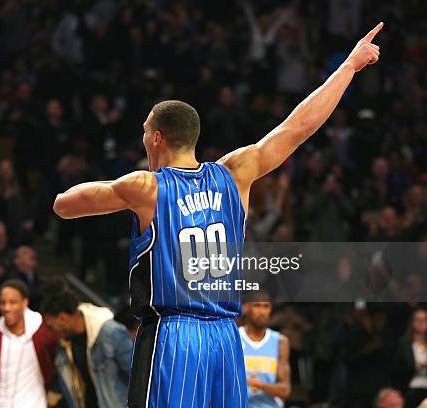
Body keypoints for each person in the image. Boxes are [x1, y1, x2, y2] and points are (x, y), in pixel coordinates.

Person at [53, 23, 384, 406]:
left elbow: (65, 205)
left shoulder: (146, 187)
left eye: (145, 131)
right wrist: (349, 67)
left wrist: (66, 196)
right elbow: (297, 128)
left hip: (174, 336)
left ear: (157, 137)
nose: (144, 138)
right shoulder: (236, 173)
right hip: (226, 338)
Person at [0, 279, 58, 408]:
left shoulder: (43, 332)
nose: (7, 308)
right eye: (3, 303)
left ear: (25, 302)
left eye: (12, 302)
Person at [41, 285, 133, 408]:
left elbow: (136, 373)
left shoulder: (109, 332)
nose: (49, 333)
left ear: (62, 318)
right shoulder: (65, 343)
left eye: (50, 327)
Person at [240, 293, 291, 407]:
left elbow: (285, 390)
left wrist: (255, 383)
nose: (262, 312)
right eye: (257, 306)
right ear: (247, 308)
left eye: (266, 306)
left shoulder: (280, 341)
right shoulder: (234, 338)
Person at [391, 308, 427, 408]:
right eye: (417, 319)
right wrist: (414, 367)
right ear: (412, 322)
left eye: (424, 319)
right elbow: (394, 369)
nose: (421, 323)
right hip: (411, 389)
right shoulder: (404, 344)